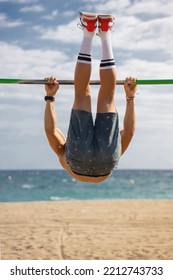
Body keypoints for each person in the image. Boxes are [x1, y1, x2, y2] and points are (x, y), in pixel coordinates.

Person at [44, 12, 138, 183]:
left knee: (107, 96)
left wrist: (130, 98)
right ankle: (89, 32)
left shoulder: (115, 149)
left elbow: (129, 131)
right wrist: (50, 97)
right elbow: (50, 131)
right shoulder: (63, 155)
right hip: (78, 159)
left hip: (106, 161)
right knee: (82, 94)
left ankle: (105, 32)